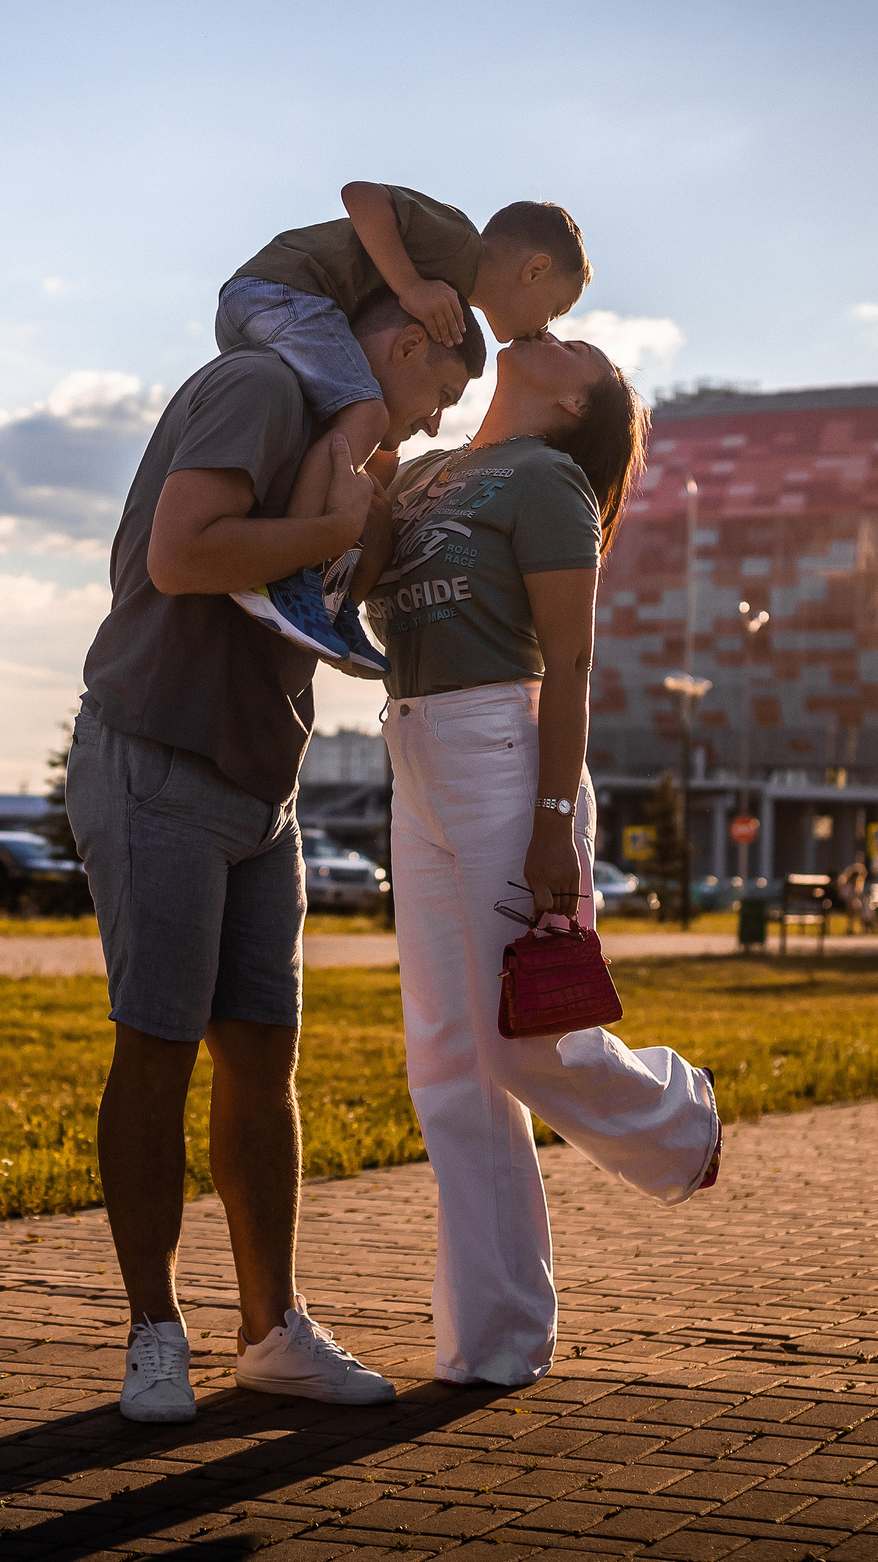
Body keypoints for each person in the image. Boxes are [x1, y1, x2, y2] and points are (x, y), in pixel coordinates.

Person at [68, 288, 477, 1424]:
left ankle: (270, 1331)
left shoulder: (347, 457)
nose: (436, 420)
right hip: (159, 753)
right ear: (406, 344)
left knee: (263, 1057)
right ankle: (155, 1336)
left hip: (263, 786)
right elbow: (183, 554)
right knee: (157, 1049)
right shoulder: (263, 389)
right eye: (441, 393)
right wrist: (338, 526)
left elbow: (332, 610)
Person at [353, 331, 722, 1388]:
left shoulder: (549, 479)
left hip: (504, 756)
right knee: (448, 1066)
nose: (552, 335)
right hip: (414, 745)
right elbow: (361, 579)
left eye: (580, 350)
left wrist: (554, 820)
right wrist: (377, 460)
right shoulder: (426, 473)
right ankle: (494, 1341)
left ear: (575, 406)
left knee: (520, 1045)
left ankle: (676, 1120)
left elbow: (570, 661)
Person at [220, 186, 589, 676]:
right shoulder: (458, 243)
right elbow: (361, 196)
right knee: (368, 415)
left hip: (282, 307)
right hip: (276, 292)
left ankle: (329, 596)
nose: (546, 328)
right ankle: (291, 578)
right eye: (555, 310)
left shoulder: (448, 289)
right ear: (535, 270)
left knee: (365, 451)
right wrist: (411, 285)